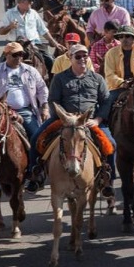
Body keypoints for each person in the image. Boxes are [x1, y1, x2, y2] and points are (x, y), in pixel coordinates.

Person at [26, 44, 115, 194]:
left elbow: (106, 101)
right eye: (78, 56)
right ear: (70, 58)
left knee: (111, 144)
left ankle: (107, 181)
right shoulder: (60, 78)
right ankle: (36, 175)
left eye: (85, 56)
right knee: (36, 138)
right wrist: (64, 116)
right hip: (64, 119)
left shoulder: (98, 79)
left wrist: (98, 119)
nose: (82, 59)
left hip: (89, 120)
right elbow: (53, 100)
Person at [0, 41, 50, 174]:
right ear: (6, 55)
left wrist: (45, 107)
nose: (19, 57)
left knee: (37, 137)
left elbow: (42, 89)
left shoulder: (31, 71)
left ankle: (35, 169)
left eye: (21, 54)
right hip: (1, 111)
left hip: (25, 111)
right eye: (15, 55)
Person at [0, 0, 65, 73]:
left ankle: (51, 83)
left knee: (51, 62)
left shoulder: (33, 13)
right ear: (21, 2)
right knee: (1, 66)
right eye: (29, 1)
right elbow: (1, 32)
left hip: (34, 44)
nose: (32, 3)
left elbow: (43, 30)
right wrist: (10, 26)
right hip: (16, 44)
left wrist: (55, 44)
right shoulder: (9, 13)